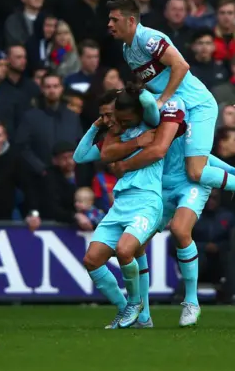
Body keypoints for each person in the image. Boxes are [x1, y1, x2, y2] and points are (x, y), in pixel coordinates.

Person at [106, 0, 235, 222]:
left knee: (194, 171)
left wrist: (162, 100)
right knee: (181, 153)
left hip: (197, 106)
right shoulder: (127, 50)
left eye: (115, 19)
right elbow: (152, 80)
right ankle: (232, 172)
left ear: (131, 21)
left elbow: (181, 65)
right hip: (177, 109)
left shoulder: (148, 38)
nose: (110, 24)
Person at [103, 87, 235, 327]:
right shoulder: (143, 125)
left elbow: (199, 155)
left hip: (192, 181)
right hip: (164, 186)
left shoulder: (176, 110)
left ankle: (191, 301)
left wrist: (138, 88)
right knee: (137, 244)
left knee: (180, 230)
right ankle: (144, 314)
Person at [74, 88, 156, 330]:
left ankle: (137, 306)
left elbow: (150, 104)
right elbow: (79, 157)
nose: (108, 121)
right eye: (104, 116)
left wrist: (135, 88)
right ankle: (127, 311)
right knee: (92, 259)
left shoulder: (148, 124)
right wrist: (96, 125)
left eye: (110, 115)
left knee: (126, 251)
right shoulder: (114, 138)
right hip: (120, 204)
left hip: (147, 201)